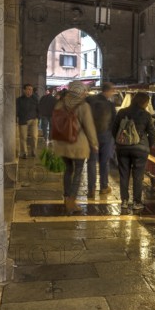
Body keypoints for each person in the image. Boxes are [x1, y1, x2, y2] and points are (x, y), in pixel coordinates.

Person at [52, 81, 99, 214]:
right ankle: (72, 202)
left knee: (67, 171)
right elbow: (89, 127)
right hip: (78, 145)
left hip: (62, 144)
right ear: (80, 92)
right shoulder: (83, 106)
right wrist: (94, 143)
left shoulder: (59, 104)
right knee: (78, 172)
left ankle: (66, 198)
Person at [112, 92, 155, 211]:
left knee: (124, 175)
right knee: (138, 176)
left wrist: (119, 143)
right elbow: (152, 134)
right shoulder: (146, 115)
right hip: (140, 149)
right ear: (144, 102)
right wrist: (147, 145)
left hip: (122, 149)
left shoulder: (122, 112)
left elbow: (114, 129)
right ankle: (137, 202)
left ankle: (124, 201)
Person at [86, 83, 117, 198]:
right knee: (104, 162)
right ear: (108, 91)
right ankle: (103, 187)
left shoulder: (89, 100)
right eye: (112, 91)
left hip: (91, 135)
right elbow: (114, 122)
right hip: (106, 136)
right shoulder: (109, 104)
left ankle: (91, 189)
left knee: (91, 162)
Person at [16, 83, 39, 159]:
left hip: (33, 120)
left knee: (34, 137)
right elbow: (16, 110)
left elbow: (39, 109)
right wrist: (17, 117)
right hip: (23, 120)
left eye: (31, 90)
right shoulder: (19, 100)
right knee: (23, 137)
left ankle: (33, 151)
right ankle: (24, 152)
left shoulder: (35, 99)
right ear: (24, 90)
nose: (30, 91)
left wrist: (38, 117)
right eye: (28, 89)